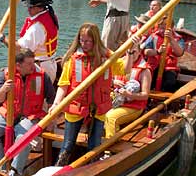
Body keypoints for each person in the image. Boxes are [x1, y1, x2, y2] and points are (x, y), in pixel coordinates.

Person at [49, 23, 136, 167]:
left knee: (95, 145)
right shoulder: (73, 58)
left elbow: (124, 70)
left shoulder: (107, 57)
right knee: (67, 145)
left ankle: (91, 169)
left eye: (88, 41)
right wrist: (56, 103)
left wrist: (130, 53)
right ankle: (59, 169)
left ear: (95, 40)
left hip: (98, 108)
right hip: (76, 107)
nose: (84, 44)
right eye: (82, 40)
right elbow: (63, 84)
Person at [0, 49, 55, 176]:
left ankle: (16, 172)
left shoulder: (42, 76)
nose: (33, 66)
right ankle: (3, 168)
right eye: (29, 64)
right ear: (18, 65)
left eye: (33, 62)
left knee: (23, 139)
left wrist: (51, 120)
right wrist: (4, 89)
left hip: (31, 115)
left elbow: (52, 100)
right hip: (9, 112)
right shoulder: (6, 75)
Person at [0, 0, 60, 82]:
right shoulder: (50, 16)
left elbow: (18, 49)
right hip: (48, 65)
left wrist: (1, 37)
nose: (28, 9)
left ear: (40, 8)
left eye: (31, 7)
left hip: (39, 70)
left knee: (34, 96)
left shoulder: (37, 28)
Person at [105, 41, 152, 138]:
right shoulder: (119, 64)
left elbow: (145, 95)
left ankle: (108, 147)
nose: (131, 54)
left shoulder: (145, 70)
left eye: (134, 52)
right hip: (115, 99)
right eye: (128, 52)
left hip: (133, 106)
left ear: (139, 52)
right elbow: (104, 81)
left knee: (111, 117)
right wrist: (113, 82)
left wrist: (129, 94)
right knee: (95, 106)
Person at [141, 16, 185, 91]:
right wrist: (158, 51)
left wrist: (171, 39)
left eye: (165, 25)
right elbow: (146, 51)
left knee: (169, 82)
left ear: (171, 26)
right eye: (161, 25)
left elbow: (179, 53)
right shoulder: (153, 36)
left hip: (169, 68)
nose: (163, 27)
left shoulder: (178, 38)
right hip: (153, 66)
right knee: (147, 80)